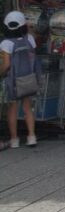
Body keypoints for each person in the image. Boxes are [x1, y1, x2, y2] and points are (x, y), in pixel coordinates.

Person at [2, 11, 39, 150]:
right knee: (27, 108)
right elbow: (33, 55)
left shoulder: (6, 43)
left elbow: (6, 65)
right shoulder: (29, 38)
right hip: (28, 78)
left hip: (13, 81)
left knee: (12, 109)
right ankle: (31, 137)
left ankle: (14, 139)